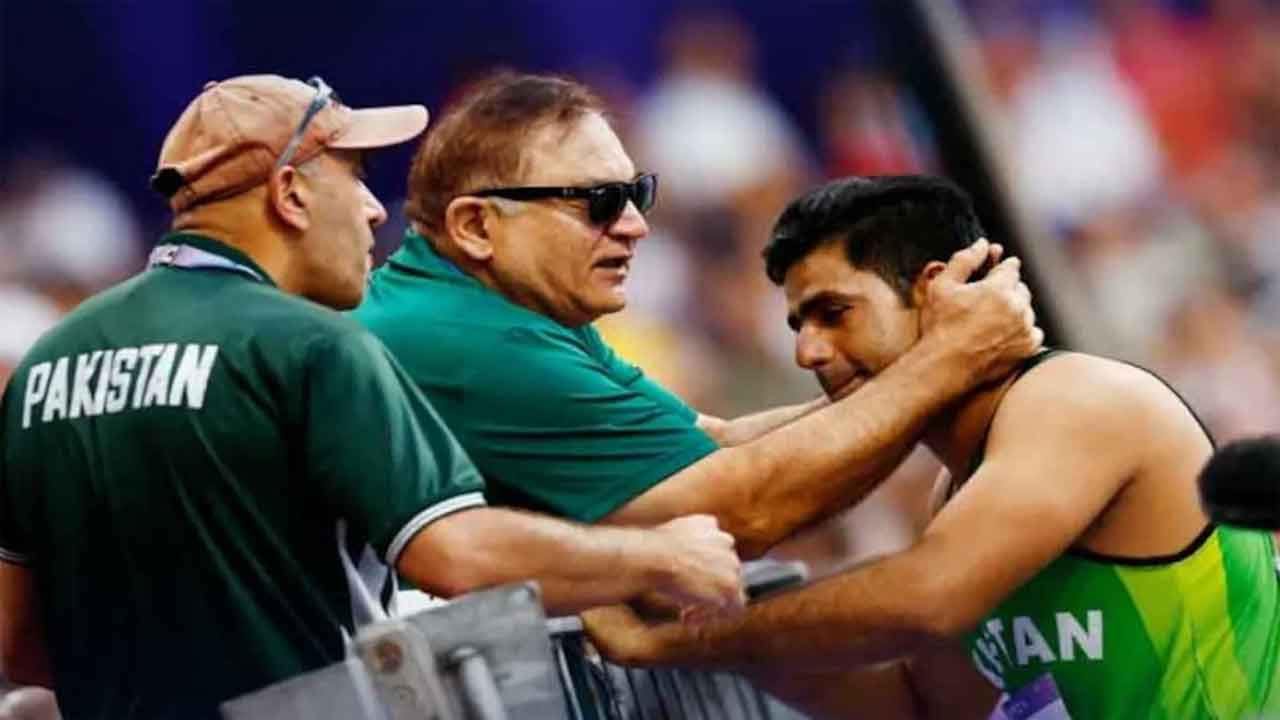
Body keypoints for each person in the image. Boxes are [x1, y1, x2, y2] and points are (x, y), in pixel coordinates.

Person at [0, 74, 746, 720]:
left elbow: (20, 643)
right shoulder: (312, 343)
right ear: (291, 194)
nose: (374, 210)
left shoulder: (48, 362)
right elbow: (455, 552)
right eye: (353, 176)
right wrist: (657, 556)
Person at [582, 176, 1280, 720]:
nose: (807, 352)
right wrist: (720, 635)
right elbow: (920, 704)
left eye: (834, 313)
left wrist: (685, 641)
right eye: (797, 324)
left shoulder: (1077, 401)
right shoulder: (960, 489)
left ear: (938, 291)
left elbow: (926, 596)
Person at [352, 72, 1043, 559]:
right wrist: (948, 363)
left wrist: (919, 359)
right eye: (599, 203)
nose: (634, 226)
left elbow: (714, 443)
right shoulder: (469, 340)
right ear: (476, 226)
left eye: (637, 194)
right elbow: (739, 508)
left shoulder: (500, 302)